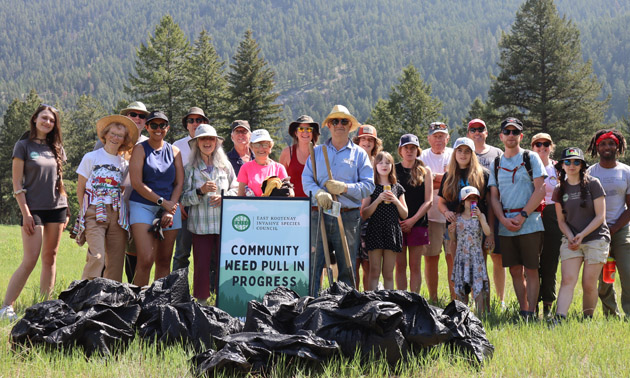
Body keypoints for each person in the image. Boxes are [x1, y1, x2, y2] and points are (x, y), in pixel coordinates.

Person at [1, 105, 68, 321]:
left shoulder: (56, 146)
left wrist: (66, 209)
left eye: (52, 120)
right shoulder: (23, 145)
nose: (48, 122)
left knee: (50, 258)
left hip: (57, 208)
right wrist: (26, 213)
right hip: (33, 209)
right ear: (35, 119)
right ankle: (6, 307)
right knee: (30, 259)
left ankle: (44, 306)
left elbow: (60, 180)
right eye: (44, 118)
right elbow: (16, 181)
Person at [302, 105, 374, 296]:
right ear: (329, 126)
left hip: (348, 217)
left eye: (343, 121)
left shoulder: (359, 154)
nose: (339, 124)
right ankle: (312, 307)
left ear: (349, 125)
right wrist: (318, 193)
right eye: (335, 121)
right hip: (319, 215)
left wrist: (345, 188)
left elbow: (369, 186)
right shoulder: (316, 152)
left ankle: (345, 311)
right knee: (314, 266)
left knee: (347, 268)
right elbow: (306, 180)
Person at [488, 117, 546, 320]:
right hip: (506, 225)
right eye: (507, 132)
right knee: (514, 270)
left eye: (515, 132)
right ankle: (523, 310)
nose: (511, 135)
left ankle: (531, 312)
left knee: (531, 269)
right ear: (501, 136)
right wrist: (503, 220)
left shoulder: (531, 157)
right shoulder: (496, 162)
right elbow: (494, 197)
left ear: (521, 136)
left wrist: (522, 216)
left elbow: (540, 190)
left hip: (529, 222)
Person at [74, 115, 138, 282]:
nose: (115, 138)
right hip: (94, 211)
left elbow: (122, 189)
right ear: (105, 134)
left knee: (116, 261)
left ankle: (110, 300)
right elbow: (80, 188)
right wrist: (84, 211)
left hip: (116, 214)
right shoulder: (91, 157)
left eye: (120, 135)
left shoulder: (123, 164)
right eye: (113, 134)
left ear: (124, 140)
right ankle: (85, 296)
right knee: (97, 256)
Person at [181, 124, 238, 303]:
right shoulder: (190, 167)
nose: (207, 142)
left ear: (216, 142)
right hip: (200, 225)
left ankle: (224, 299)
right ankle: (202, 302)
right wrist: (200, 191)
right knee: (201, 265)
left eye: (211, 139)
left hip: (224, 225)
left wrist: (225, 197)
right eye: (203, 139)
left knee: (225, 264)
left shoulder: (225, 166)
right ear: (197, 143)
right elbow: (183, 198)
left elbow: (236, 188)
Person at [95, 101, 149, 283]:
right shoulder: (107, 140)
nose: (137, 118)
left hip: (137, 206)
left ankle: (130, 296)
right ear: (125, 116)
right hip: (109, 207)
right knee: (105, 254)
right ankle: (99, 294)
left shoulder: (148, 144)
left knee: (133, 253)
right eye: (133, 114)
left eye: (142, 116)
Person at [128, 111, 184, 287]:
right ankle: (138, 302)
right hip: (143, 206)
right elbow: (136, 183)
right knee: (145, 259)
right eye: (154, 125)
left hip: (169, 208)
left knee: (164, 260)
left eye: (162, 125)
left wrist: (170, 208)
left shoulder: (175, 151)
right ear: (147, 127)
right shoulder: (139, 149)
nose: (158, 129)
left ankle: (158, 304)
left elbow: (179, 183)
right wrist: (162, 202)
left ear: (167, 128)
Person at [553, 147, 609, 321]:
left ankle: (587, 319)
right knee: (568, 279)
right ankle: (559, 318)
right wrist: (570, 236)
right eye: (567, 162)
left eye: (576, 161)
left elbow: (601, 216)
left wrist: (582, 235)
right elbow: (561, 221)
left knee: (588, 283)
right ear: (561, 165)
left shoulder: (593, 183)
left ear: (582, 165)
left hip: (595, 238)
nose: (572, 165)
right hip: (571, 239)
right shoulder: (559, 189)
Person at [438, 137, 491, 304]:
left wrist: (489, 233)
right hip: (456, 229)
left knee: (479, 267)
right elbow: (441, 202)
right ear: (454, 153)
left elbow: (489, 204)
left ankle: (484, 309)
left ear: (472, 154)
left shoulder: (483, 174)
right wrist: (446, 213)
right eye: (459, 151)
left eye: (467, 151)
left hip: (477, 229)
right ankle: (459, 306)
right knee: (457, 266)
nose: (463, 154)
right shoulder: (449, 175)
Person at [586, 129, 630, 318]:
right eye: (603, 143)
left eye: (611, 143)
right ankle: (611, 315)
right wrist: (601, 229)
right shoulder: (589, 172)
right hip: (597, 232)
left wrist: (614, 228)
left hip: (621, 230)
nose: (607, 147)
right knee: (605, 278)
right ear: (597, 147)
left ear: (618, 146)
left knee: (627, 274)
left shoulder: (626, 171)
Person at [467, 118, 506, 308]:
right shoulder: (465, 153)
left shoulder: (497, 153)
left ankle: (501, 300)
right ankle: (478, 300)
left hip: (494, 210)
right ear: (468, 134)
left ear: (486, 132)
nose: (477, 132)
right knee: (477, 258)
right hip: (471, 214)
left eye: (480, 129)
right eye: (473, 129)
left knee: (497, 257)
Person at [361, 151, 408, 290]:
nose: (384, 165)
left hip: (391, 231)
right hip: (375, 230)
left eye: (387, 162)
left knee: (388, 273)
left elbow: (405, 214)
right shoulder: (371, 186)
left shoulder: (397, 187)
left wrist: (395, 201)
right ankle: (372, 301)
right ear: (375, 166)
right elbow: (364, 213)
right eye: (380, 162)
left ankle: (389, 302)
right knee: (374, 271)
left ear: (392, 166)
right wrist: (378, 200)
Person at [172, 107, 210, 273]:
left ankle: (210, 292)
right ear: (186, 125)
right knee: (181, 252)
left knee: (209, 252)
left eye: (199, 120)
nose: (195, 124)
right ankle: (175, 292)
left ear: (205, 123)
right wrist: (177, 203)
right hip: (184, 206)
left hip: (208, 206)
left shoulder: (212, 145)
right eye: (191, 120)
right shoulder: (177, 146)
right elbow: (171, 178)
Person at [420, 121, 453, 302]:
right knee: (431, 259)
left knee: (452, 259)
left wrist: (431, 177)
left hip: (451, 216)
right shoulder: (422, 156)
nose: (438, 139)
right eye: (435, 136)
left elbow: (452, 182)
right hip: (430, 216)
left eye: (442, 136)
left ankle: (455, 300)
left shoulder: (455, 154)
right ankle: (433, 299)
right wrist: (444, 179)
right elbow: (420, 181)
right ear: (429, 138)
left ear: (448, 138)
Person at [395, 134, 432, 293]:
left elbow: (428, 201)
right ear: (400, 150)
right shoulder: (393, 169)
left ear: (417, 150)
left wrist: (412, 220)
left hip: (418, 224)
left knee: (415, 266)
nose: (409, 151)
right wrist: (400, 221)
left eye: (413, 148)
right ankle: (402, 298)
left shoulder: (425, 171)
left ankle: (415, 298)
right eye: (406, 148)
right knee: (400, 266)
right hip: (397, 224)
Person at [531, 133, 562, 317]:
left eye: (546, 144)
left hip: (552, 214)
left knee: (550, 262)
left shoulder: (558, 168)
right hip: (532, 213)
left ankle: (548, 308)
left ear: (551, 146)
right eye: (538, 144)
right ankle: (532, 306)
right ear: (532, 147)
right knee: (532, 262)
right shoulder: (526, 167)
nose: (542, 147)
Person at [451, 186, 491, 315]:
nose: (472, 201)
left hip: (476, 256)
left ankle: (480, 315)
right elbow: (454, 239)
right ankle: (463, 315)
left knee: (478, 287)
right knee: (461, 287)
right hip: (462, 256)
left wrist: (480, 218)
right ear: (463, 202)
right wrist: (451, 231)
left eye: (475, 199)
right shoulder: (458, 217)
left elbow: (487, 231)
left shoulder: (480, 216)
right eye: (469, 199)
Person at [352, 124, 382, 291]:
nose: (366, 142)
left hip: (373, 219)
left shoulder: (379, 162)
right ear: (357, 141)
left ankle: (368, 297)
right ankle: (354, 297)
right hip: (352, 214)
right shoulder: (350, 160)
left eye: (370, 139)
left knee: (369, 263)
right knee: (353, 262)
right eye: (363, 139)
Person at [237, 129, 290, 197]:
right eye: (257, 145)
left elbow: (290, 193)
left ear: (270, 147)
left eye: (265, 145)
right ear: (252, 147)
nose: (261, 149)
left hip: (274, 206)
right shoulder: (245, 168)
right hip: (251, 207)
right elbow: (240, 196)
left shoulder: (279, 168)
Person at [279, 115, 320, 197]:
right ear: (295, 133)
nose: (305, 132)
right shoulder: (287, 153)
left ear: (313, 133)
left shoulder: (319, 152)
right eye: (301, 129)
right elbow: (280, 180)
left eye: (309, 129)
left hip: (315, 205)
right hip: (293, 204)